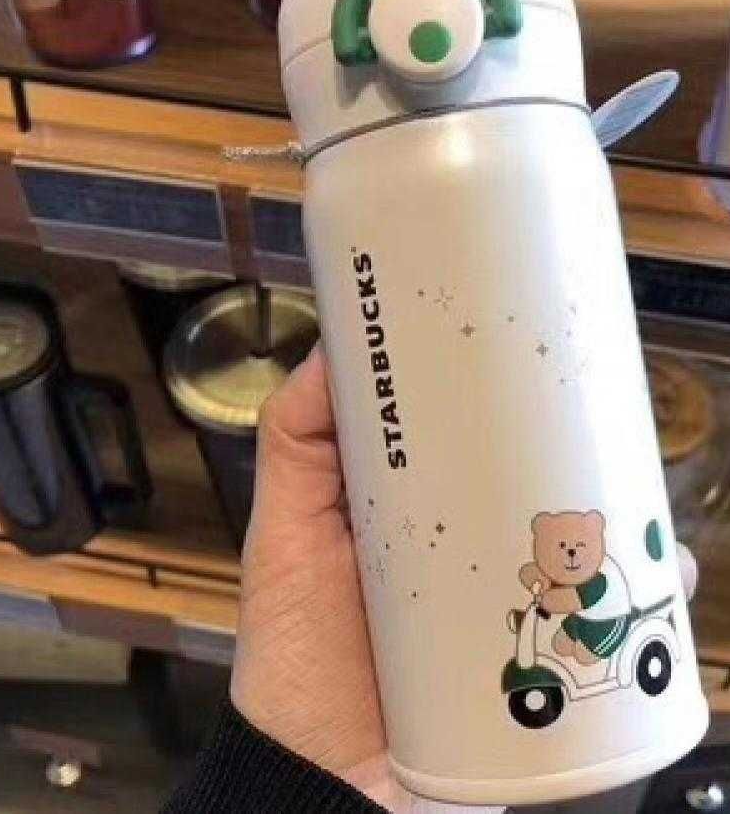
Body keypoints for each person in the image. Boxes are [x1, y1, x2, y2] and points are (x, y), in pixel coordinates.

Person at [165, 345, 696, 813]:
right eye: (559, 547)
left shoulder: (598, 575)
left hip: (603, 625)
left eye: (579, 546)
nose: (571, 554)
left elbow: (579, 591)